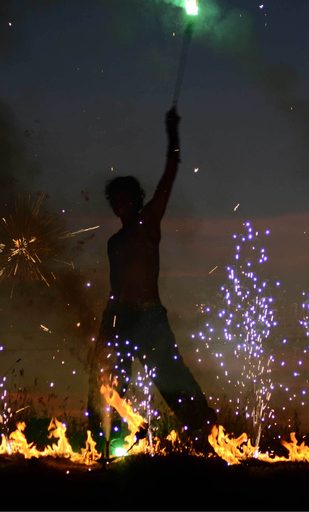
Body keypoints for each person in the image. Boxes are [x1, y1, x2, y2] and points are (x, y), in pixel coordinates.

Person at [86, 108, 216, 456]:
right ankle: (107, 444)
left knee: (170, 377)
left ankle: (204, 434)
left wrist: (172, 132)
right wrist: (106, 326)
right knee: (110, 382)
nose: (120, 204)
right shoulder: (114, 242)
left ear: (136, 198)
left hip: (148, 317)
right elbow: (116, 286)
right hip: (120, 317)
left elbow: (170, 173)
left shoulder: (149, 222)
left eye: (125, 197)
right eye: (115, 200)